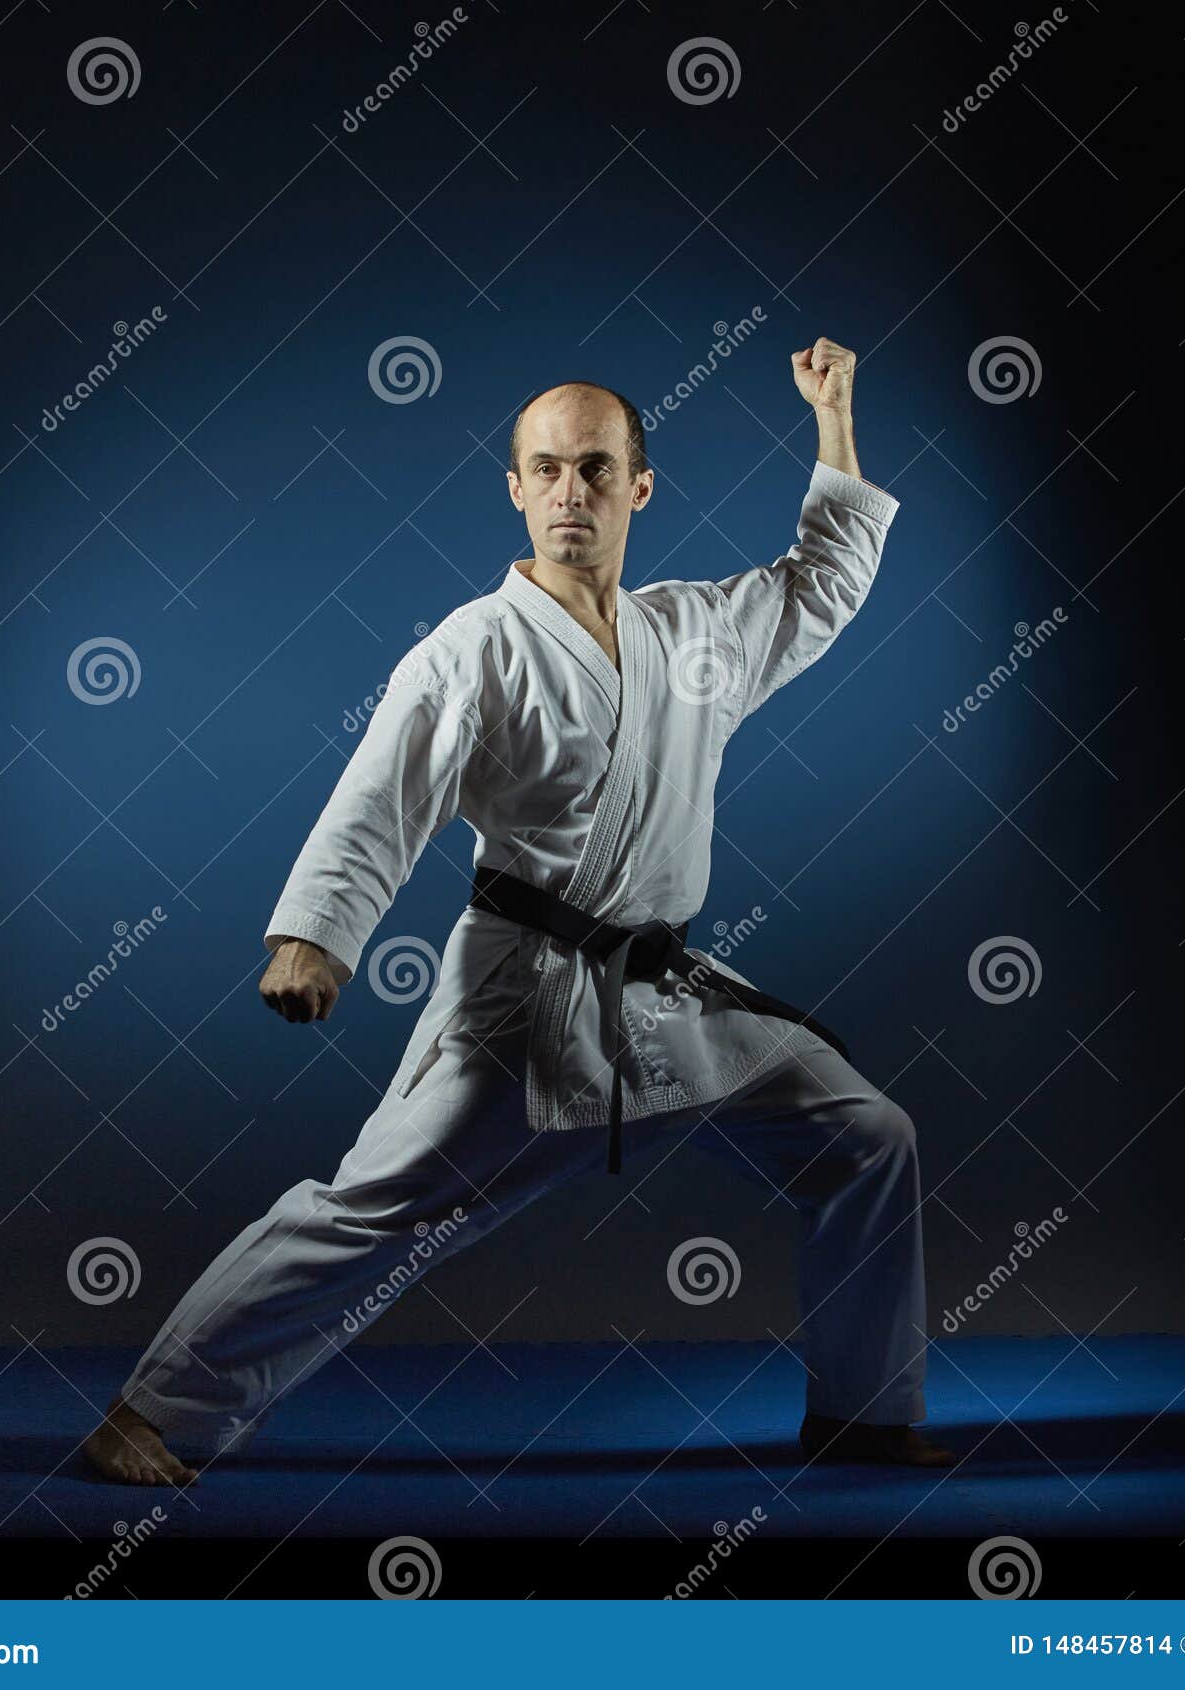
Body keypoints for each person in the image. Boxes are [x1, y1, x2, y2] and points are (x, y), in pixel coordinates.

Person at [85, 337, 952, 1487]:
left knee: (865, 1138)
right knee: (373, 1208)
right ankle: (150, 1411)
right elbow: (379, 799)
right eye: (545, 469)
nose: (569, 491)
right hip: (526, 1001)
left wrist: (833, 418)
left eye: (595, 468)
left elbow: (818, 583)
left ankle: (864, 1413)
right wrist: (312, 938)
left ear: (639, 487)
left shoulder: (694, 633)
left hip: (665, 993)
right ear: (515, 489)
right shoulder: (475, 647)